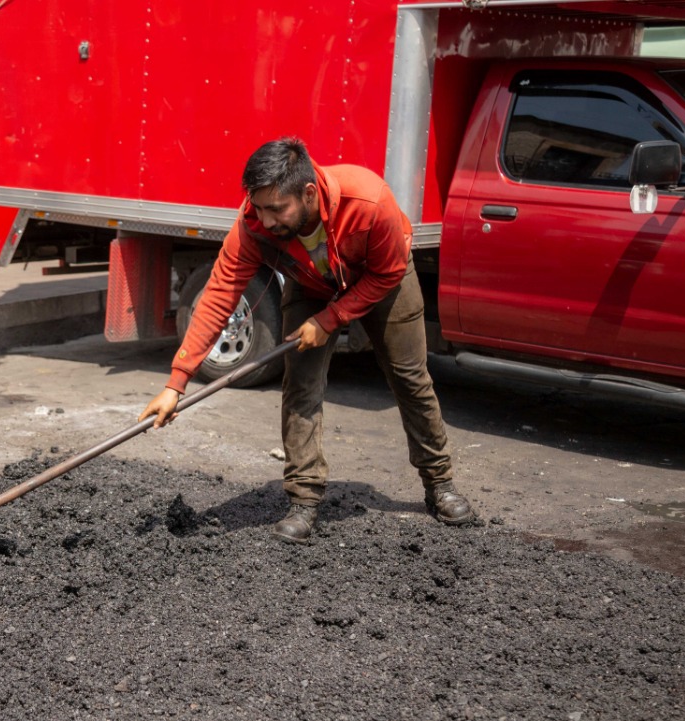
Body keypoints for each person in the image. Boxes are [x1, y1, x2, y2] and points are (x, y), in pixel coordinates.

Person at [139, 137, 475, 542]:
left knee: (409, 379)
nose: (265, 220)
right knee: (300, 385)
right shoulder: (253, 224)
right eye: (258, 207)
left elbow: (387, 273)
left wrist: (332, 318)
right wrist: (176, 382)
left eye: (276, 209)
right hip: (309, 283)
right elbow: (218, 295)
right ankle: (303, 500)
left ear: (309, 192)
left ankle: (439, 484)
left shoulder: (368, 201)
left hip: (381, 278)